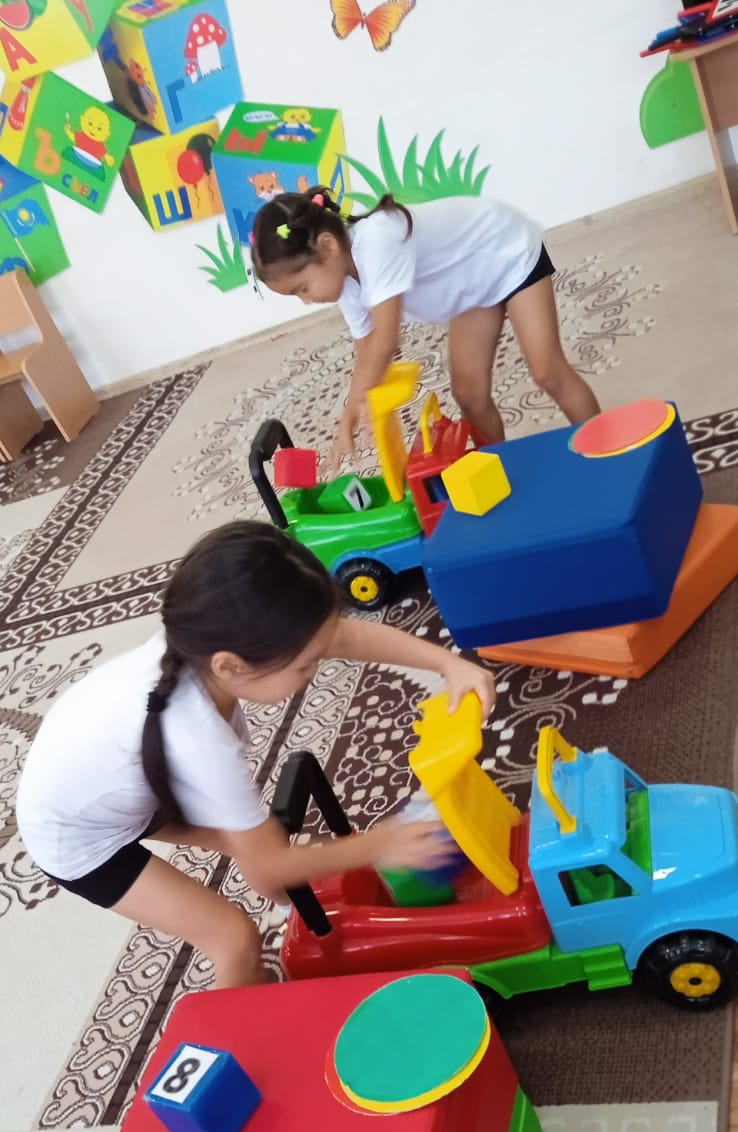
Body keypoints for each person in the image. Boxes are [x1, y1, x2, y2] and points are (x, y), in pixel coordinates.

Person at [16, 522, 496, 990]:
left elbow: (343, 637)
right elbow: (269, 865)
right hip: (79, 838)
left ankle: (295, 912)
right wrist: (381, 844)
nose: (315, 669)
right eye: (305, 666)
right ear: (231, 666)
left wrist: (446, 663)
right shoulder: (201, 743)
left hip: (112, 782)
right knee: (235, 939)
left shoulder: (204, 636)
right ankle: (247, 1027)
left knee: (257, 842)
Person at [252, 188, 600, 469]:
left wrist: (360, 404)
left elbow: (386, 340)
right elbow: (367, 354)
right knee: (469, 395)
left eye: (303, 288)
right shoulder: (346, 283)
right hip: (471, 286)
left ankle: (606, 455)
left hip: (505, 253)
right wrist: (349, 420)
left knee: (547, 371)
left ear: (327, 246)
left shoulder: (377, 241)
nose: (306, 300)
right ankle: (499, 470)